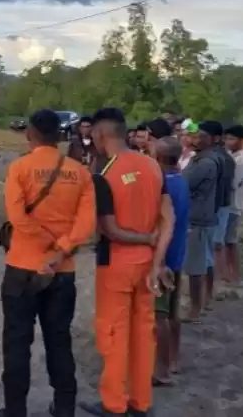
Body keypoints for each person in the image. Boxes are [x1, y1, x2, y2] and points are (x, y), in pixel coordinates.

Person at [0, 110, 96, 417]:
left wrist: (43, 239)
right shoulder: (80, 172)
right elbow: (86, 222)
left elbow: (17, 216)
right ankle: (64, 408)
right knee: (59, 340)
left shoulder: (20, 168)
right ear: (60, 135)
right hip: (62, 269)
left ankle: (15, 410)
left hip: (23, 266)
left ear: (29, 134)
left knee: (17, 342)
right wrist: (62, 246)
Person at [79, 108, 174, 417]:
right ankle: (140, 402)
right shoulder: (152, 166)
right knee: (144, 332)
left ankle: (114, 404)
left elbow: (109, 229)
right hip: (147, 264)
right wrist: (157, 259)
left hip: (116, 263)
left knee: (113, 333)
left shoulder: (104, 175)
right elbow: (168, 218)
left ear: (100, 134)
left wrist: (143, 239)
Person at [153, 137, 190, 385]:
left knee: (159, 316)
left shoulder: (162, 185)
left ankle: (162, 369)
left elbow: (163, 225)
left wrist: (159, 262)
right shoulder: (181, 182)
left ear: (158, 158)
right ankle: (173, 360)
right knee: (172, 313)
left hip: (164, 260)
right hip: (177, 257)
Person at [181, 122, 219, 323]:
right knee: (203, 262)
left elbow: (184, 183)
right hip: (202, 216)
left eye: (197, 137)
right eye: (192, 136)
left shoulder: (205, 163)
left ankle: (195, 308)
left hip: (198, 219)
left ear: (210, 140)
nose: (192, 140)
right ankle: (203, 301)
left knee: (195, 266)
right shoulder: (202, 159)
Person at [222, 125, 243, 283]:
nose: (229, 142)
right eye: (227, 138)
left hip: (234, 205)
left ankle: (233, 274)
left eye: (232, 139)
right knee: (226, 240)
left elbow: (233, 184)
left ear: (242, 140)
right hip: (229, 204)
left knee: (230, 241)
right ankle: (228, 272)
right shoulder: (232, 155)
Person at [211, 122, 236, 289]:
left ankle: (220, 279)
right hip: (219, 205)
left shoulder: (221, 158)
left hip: (218, 206)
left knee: (216, 244)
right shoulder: (223, 157)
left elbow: (222, 187)